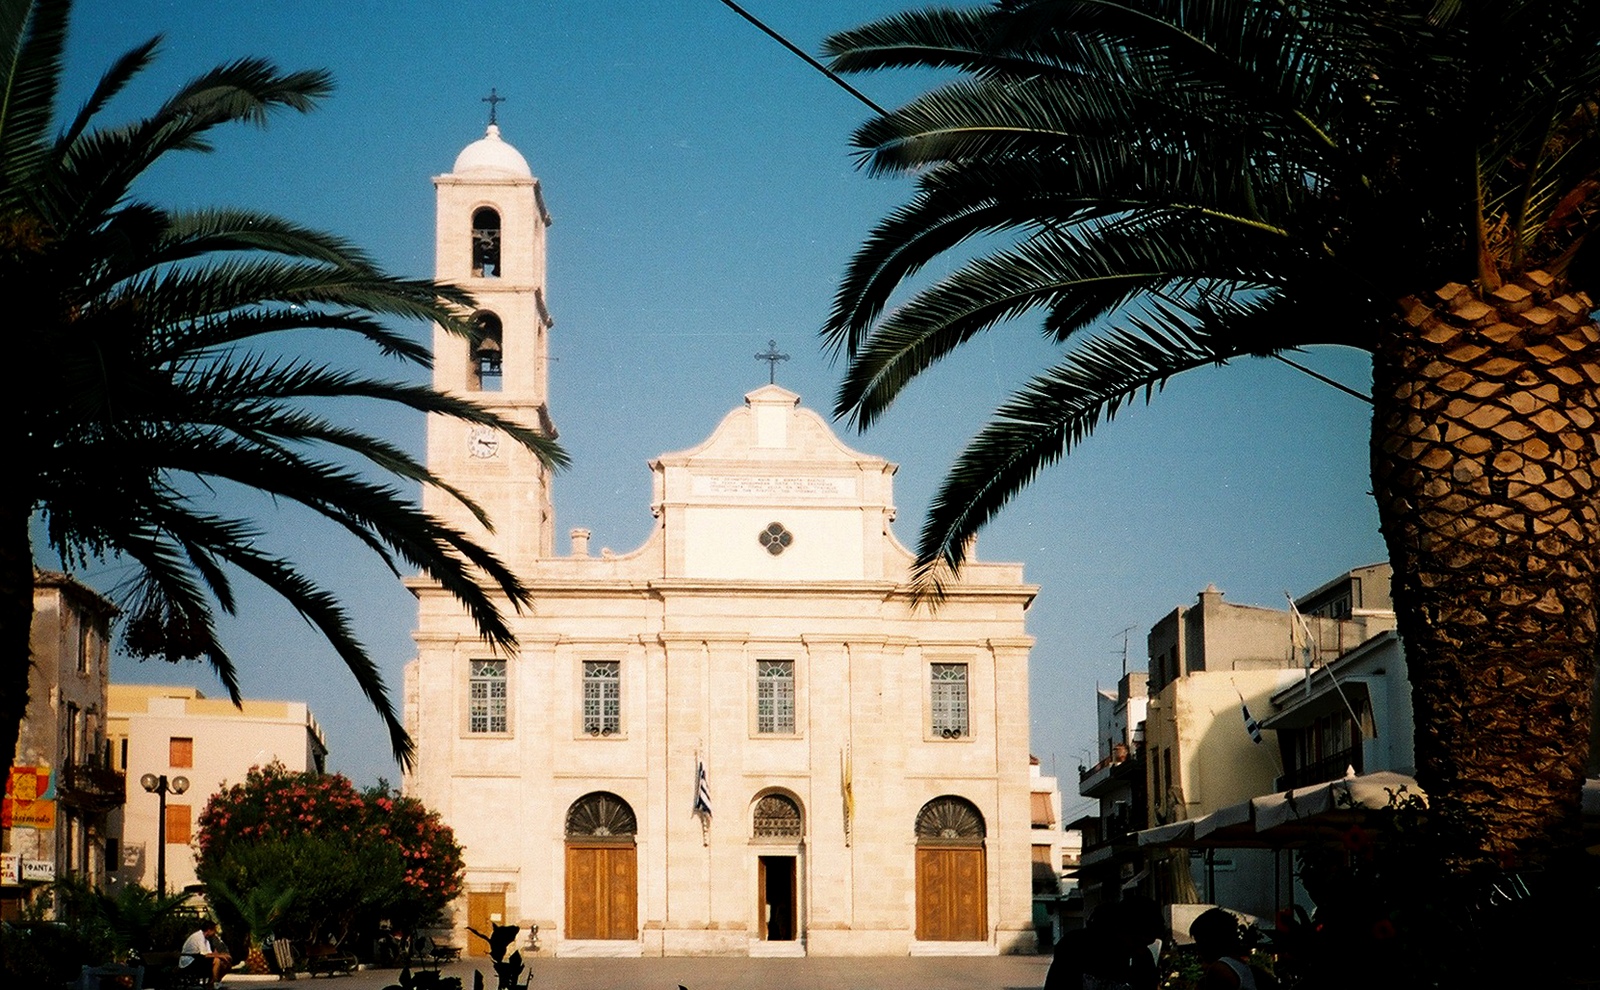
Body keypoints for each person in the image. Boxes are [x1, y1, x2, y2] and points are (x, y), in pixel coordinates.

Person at [1044, 897, 1164, 990]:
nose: (1140, 950)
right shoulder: (1076, 946)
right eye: (1137, 942)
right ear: (1119, 929)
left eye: (1147, 944)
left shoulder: (1141, 956)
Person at [1190, 907, 1273, 990]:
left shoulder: (1220, 970)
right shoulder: (1246, 969)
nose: (1197, 949)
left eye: (1199, 941)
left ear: (1210, 941)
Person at [180, 918, 234, 984]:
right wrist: (220, 956)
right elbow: (205, 955)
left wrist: (221, 955)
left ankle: (212, 982)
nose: (215, 932)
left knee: (226, 964)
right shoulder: (199, 937)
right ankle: (215, 982)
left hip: (197, 959)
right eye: (214, 930)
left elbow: (209, 954)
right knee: (217, 960)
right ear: (209, 930)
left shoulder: (206, 939)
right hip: (189, 962)